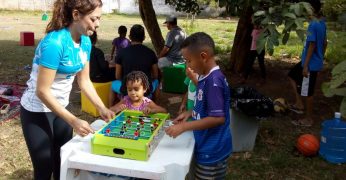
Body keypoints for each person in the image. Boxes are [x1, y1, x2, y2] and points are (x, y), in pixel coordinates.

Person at [19, 0, 114, 179]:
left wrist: (102, 108)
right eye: (93, 19)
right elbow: (42, 91)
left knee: (63, 162)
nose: (97, 24)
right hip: (37, 110)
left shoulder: (85, 42)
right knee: (44, 169)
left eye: (99, 19)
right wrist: (74, 121)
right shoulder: (55, 43)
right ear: (76, 15)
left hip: (61, 107)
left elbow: (84, 81)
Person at [165, 32, 232, 179]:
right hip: (205, 143)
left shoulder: (214, 82)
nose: (187, 65)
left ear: (203, 56)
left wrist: (184, 127)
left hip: (212, 151)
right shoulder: (205, 77)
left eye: (189, 61)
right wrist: (190, 112)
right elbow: (204, 102)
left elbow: (218, 118)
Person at [289, 0, 327, 127]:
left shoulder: (313, 25)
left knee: (308, 91)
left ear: (310, 9)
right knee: (292, 75)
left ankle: (308, 119)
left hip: (310, 63)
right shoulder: (322, 22)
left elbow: (312, 45)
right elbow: (325, 42)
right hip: (312, 60)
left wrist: (306, 66)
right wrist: (321, 57)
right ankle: (299, 103)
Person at [109, 24, 159, 106]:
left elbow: (117, 76)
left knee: (112, 85)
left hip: (127, 91)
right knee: (157, 81)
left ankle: (110, 108)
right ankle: (155, 106)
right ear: (144, 38)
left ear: (129, 37)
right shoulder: (151, 53)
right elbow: (156, 75)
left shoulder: (121, 53)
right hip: (145, 91)